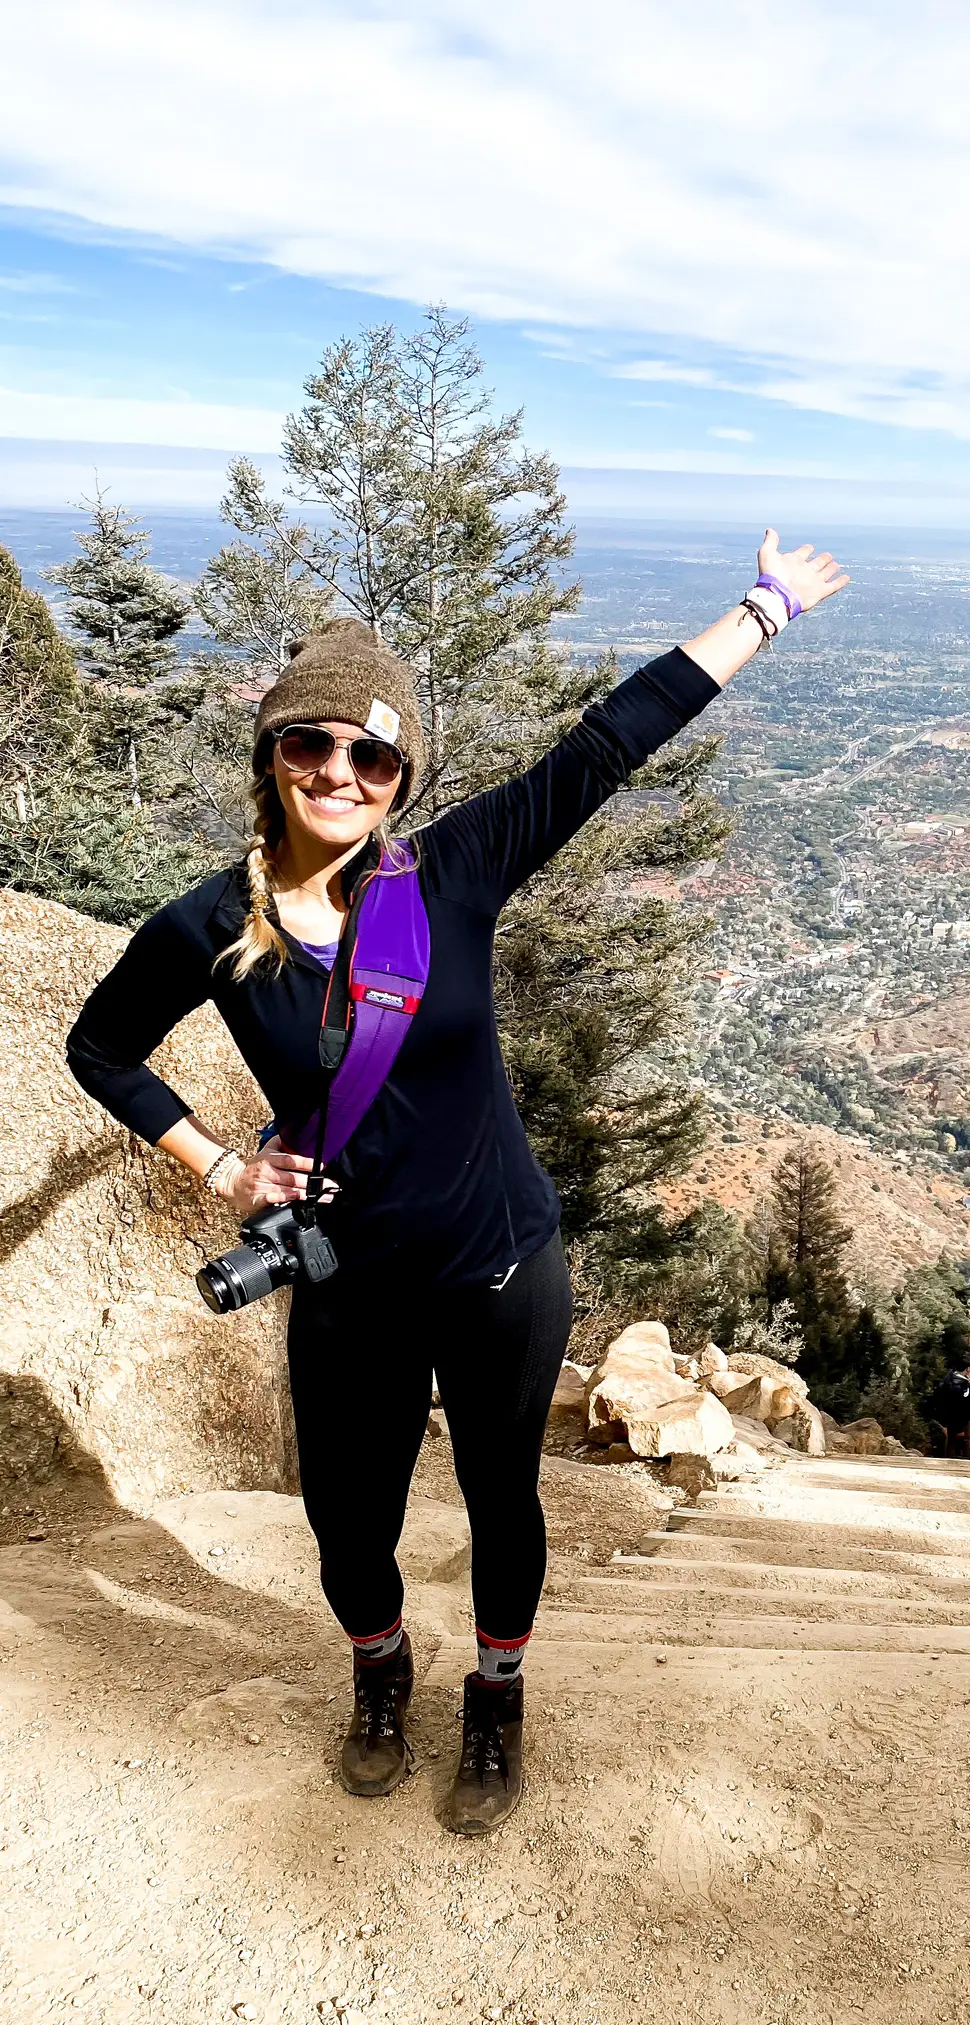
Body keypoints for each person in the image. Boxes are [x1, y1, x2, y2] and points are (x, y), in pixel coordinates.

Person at [65, 531, 847, 1837]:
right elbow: (100, 1046)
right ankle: (381, 1667)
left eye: (371, 756)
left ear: (400, 776)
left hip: (498, 1269)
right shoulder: (208, 922)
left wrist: (761, 609)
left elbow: (604, 747)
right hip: (349, 1282)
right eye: (312, 745)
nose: (339, 773)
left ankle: (496, 1696)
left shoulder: (455, 872)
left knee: (502, 1498)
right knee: (348, 1519)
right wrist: (218, 1161)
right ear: (271, 751)